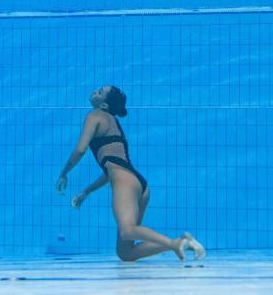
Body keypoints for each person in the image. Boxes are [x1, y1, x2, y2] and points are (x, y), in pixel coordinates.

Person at [56, 85, 205, 262]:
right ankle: (179, 243)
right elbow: (112, 169)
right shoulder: (113, 123)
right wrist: (86, 191)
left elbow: (80, 150)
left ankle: (177, 243)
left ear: (103, 105)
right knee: (125, 253)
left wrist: (64, 173)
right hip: (138, 184)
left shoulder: (94, 115)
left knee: (127, 230)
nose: (95, 92)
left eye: (100, 92)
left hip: (125, 181)